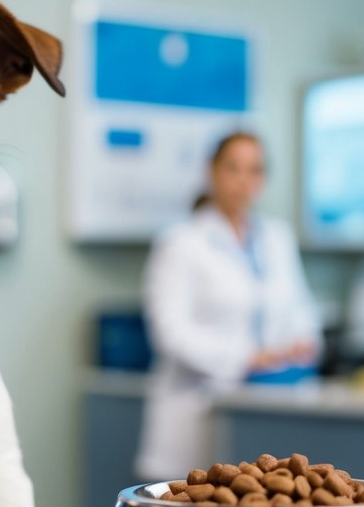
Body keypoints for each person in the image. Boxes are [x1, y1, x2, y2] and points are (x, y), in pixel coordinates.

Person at [134, 132, 322, 480]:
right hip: (196, 414)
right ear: (212, 172)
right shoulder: (180, 242)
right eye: (233, 168)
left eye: (255, 170)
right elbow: (170, 334)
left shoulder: (277, 237)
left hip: (263, 413)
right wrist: (246, 357)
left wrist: (301, 343)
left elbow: (302, 309)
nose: (243, 180)